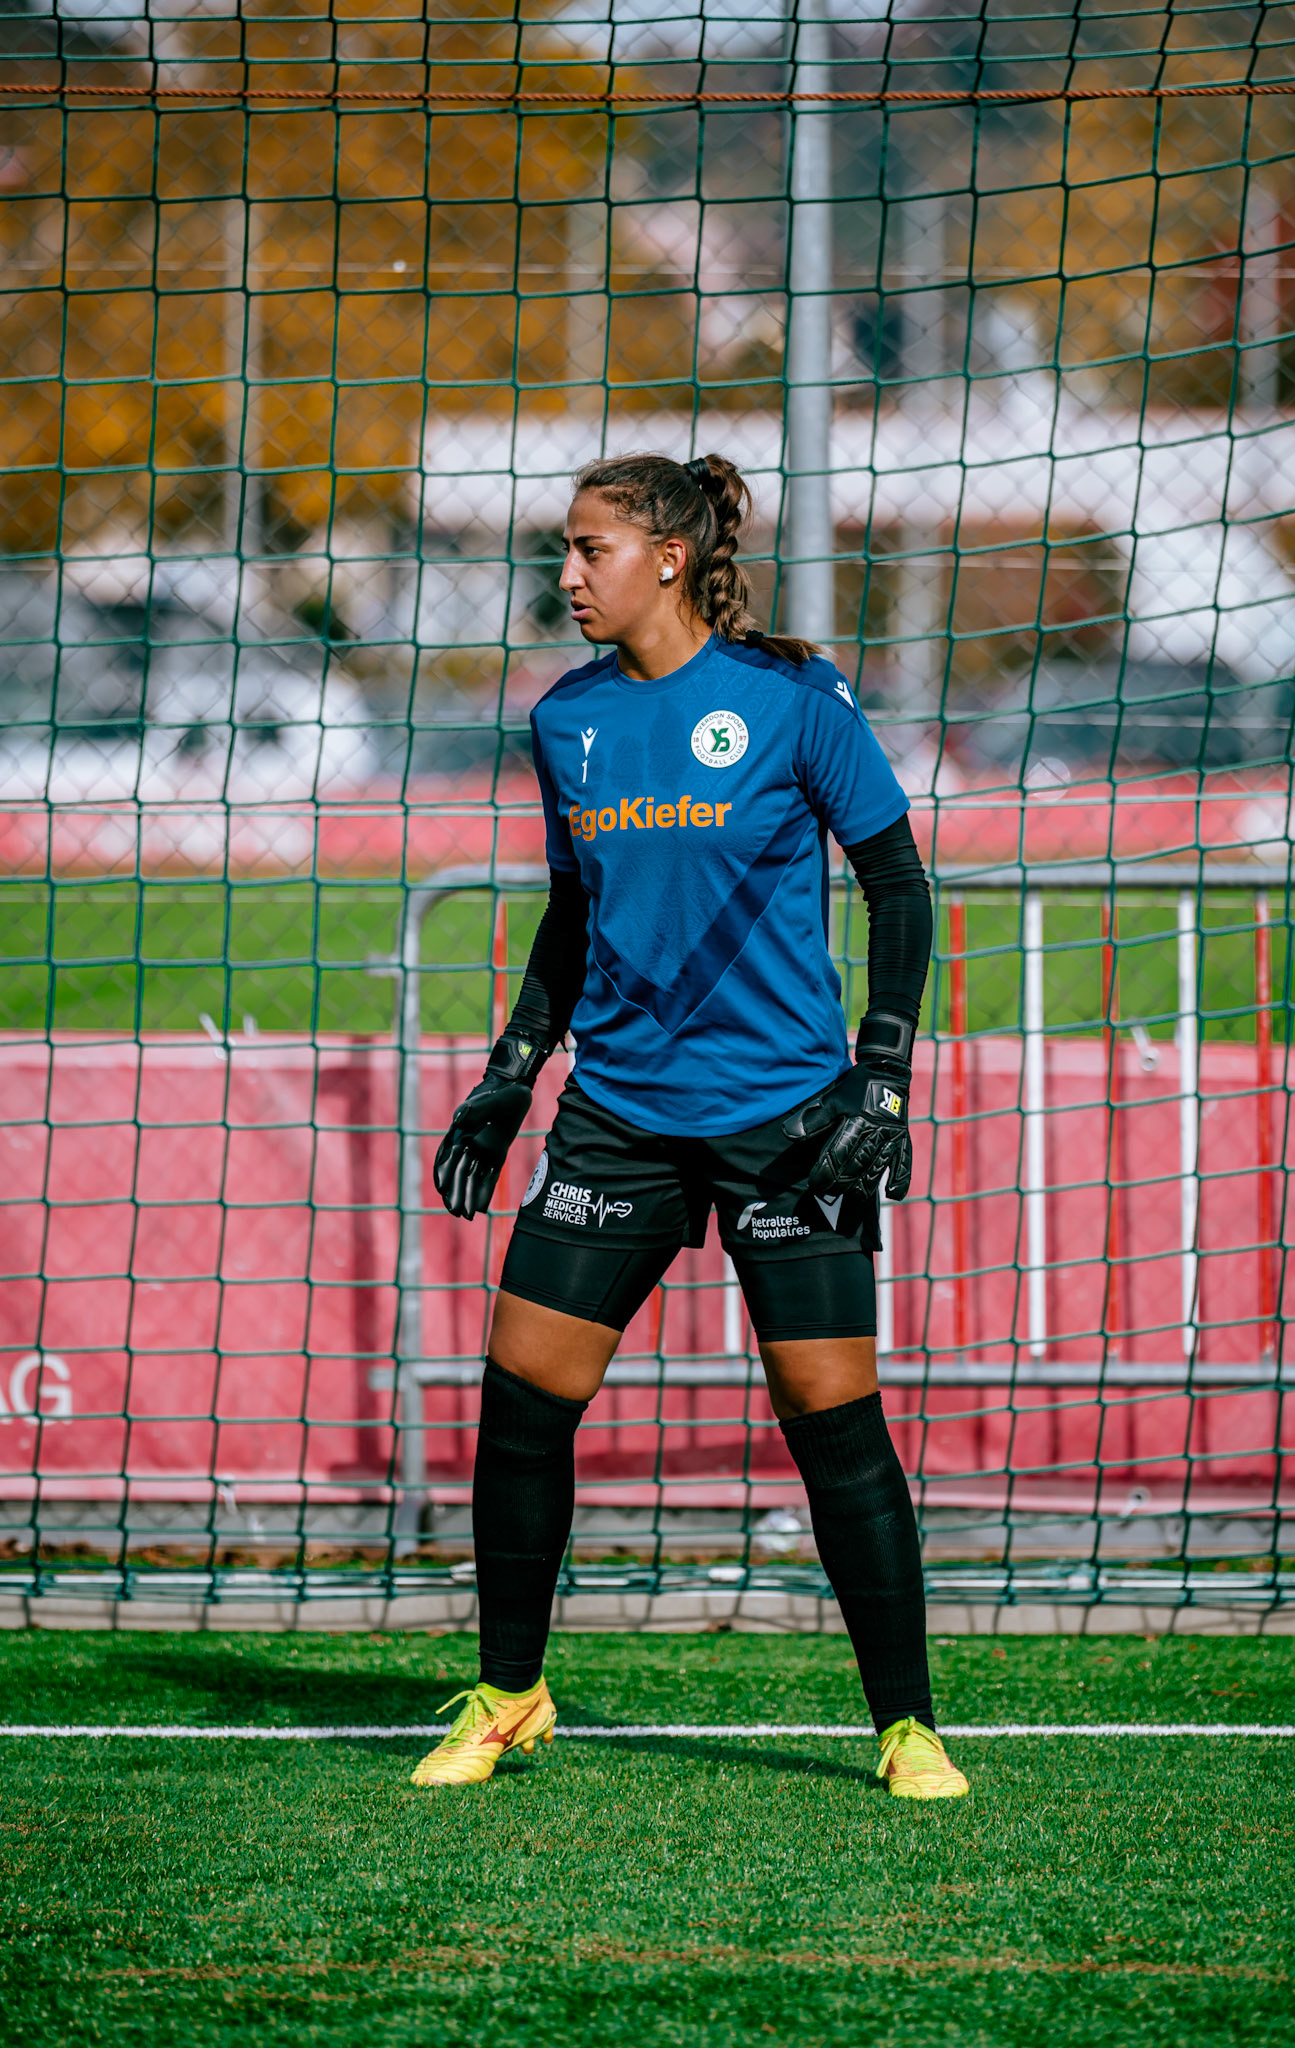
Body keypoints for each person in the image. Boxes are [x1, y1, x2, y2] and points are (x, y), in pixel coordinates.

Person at [410, 452, 967, 1802]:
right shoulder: (568, 719)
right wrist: (512, 1069)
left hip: (786, 1118)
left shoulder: (790, 701)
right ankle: (508, 1697)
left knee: (831, 1423)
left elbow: (898, 889)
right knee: (522, 1408)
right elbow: (568, 914)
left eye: (586, 548)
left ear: (667, 555)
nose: (564, 576)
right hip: (615, 1117)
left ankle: (905, 1727)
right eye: (563, 548)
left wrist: (878, 1074)